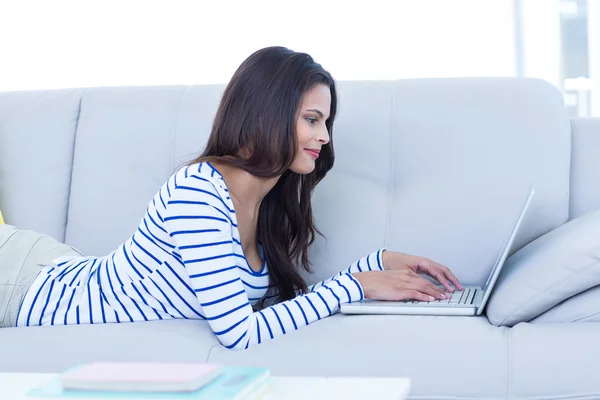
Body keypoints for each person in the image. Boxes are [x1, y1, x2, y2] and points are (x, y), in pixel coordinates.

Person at [0, 46, 462, 349]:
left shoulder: (264, 202)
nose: (323, 137)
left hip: (56, 265)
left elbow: (274, 308)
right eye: (312, 119)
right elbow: (238, 333)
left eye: (326, 122)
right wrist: (359, 286)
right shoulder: (197, 194)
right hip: (19, 284)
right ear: (267, 114)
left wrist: (375, 266)